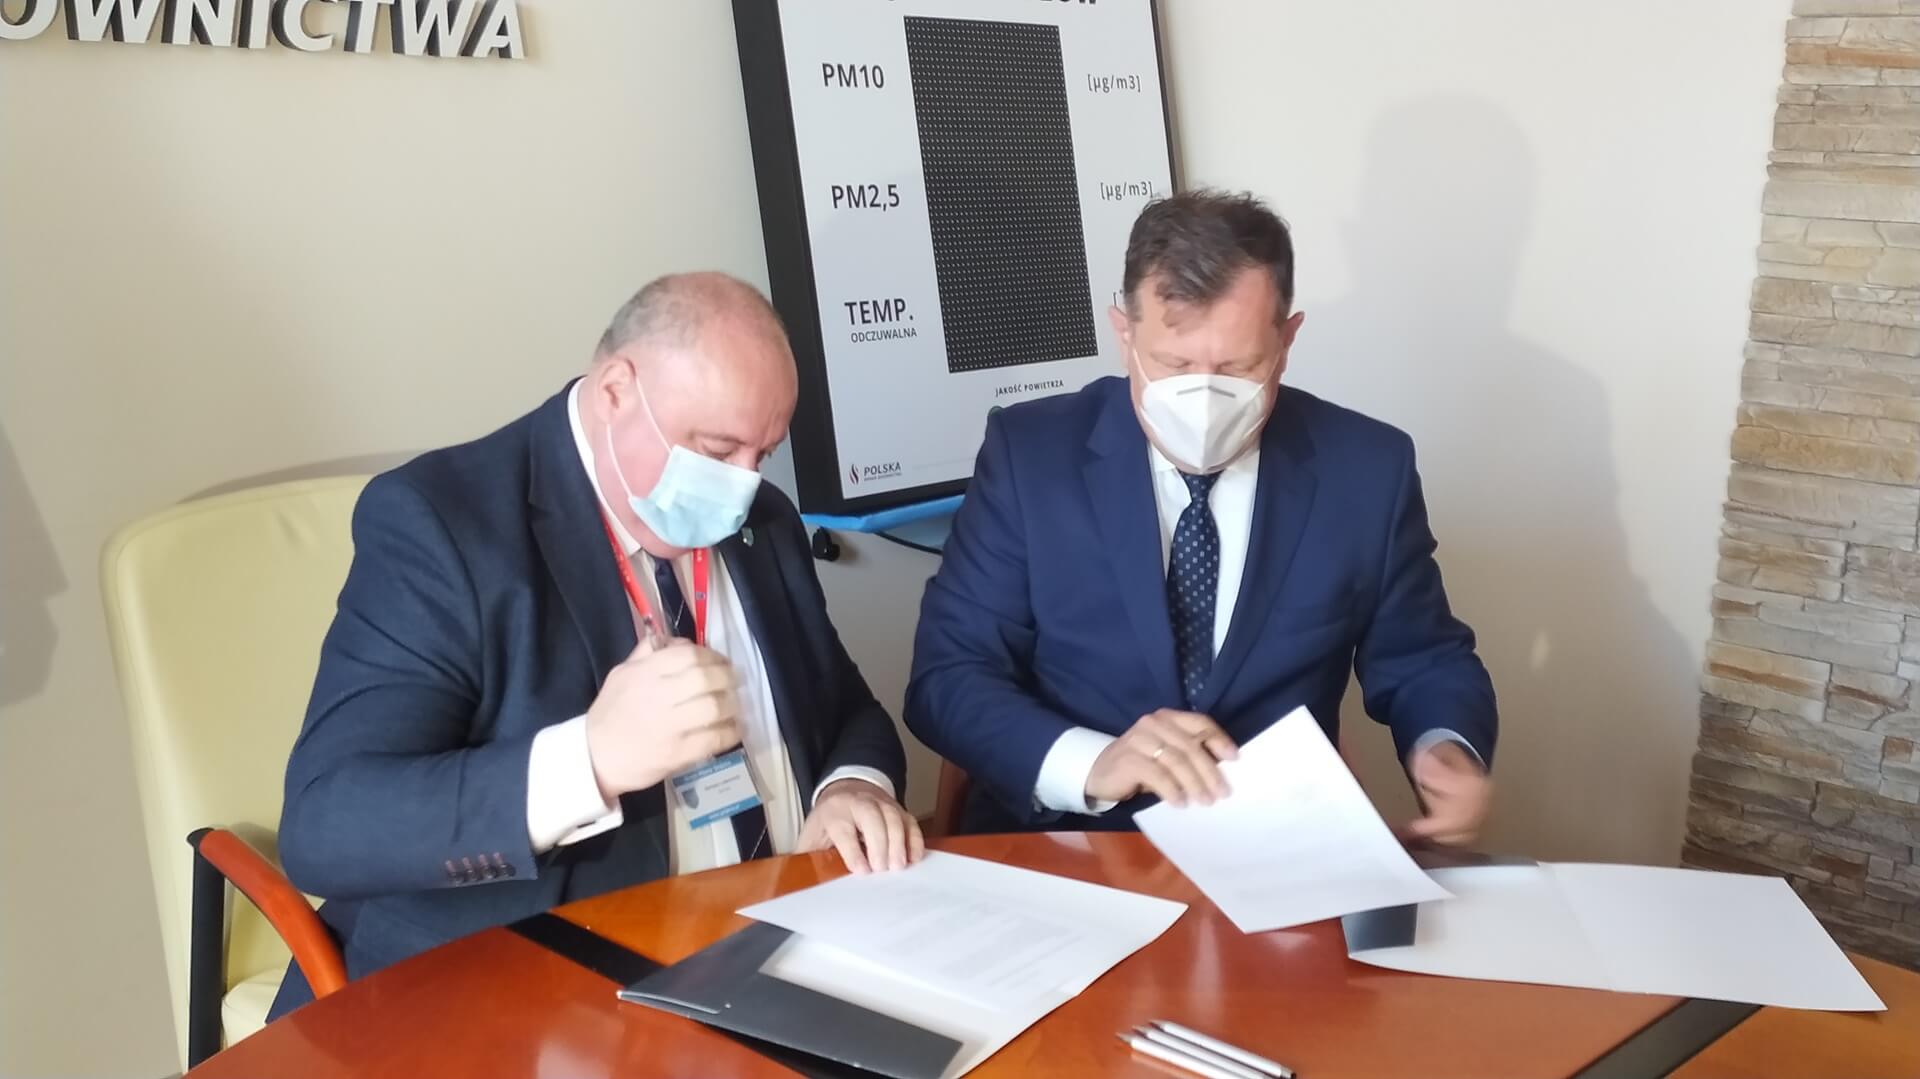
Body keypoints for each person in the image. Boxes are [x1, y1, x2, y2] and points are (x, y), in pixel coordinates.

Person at [270, 273, 920, 1018]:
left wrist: (851, 787)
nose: (742, 487)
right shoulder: (444, 524)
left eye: (763, 454)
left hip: (785, 951)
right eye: (717, 449)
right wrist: (592, 760)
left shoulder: (762, 523)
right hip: (545, 991)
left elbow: (850, 710)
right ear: (615, 391)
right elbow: (326, 825)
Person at [906, 191, 1497, 839]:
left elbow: (1423, 659)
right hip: (1072, 842)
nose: (1206, 395)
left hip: (1276, 844)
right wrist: (1092, 763)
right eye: (1175, 364)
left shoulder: (1366, 471)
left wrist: (1446, 747)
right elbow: (948, 677)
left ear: (1287, 340)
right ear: (1124, 334)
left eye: (1239, 366)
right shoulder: (1031, 456)